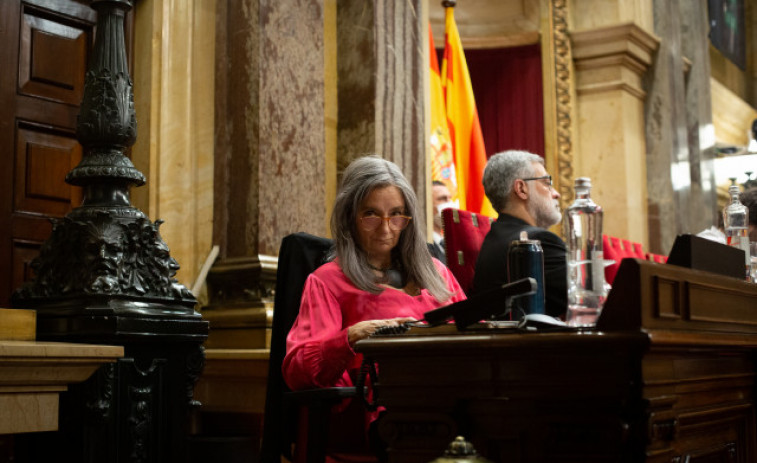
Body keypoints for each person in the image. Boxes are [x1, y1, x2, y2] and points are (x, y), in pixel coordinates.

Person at [282, 155, 466, 459]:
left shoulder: (437, 273)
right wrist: (351, 336)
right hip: (378, 421)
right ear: (349, 218)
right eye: (371, 214)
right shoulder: (328, 281)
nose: (386, 228)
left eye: (396, 215)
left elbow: (469, 331)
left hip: (446, 403)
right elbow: (298, 372)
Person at [471, 150, 567, 319]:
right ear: (521, 189)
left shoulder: (494, 238)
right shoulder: (538, 241)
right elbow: (589, 298)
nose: (556, 193)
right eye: (546, 183)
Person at [428, 180, 453, 263]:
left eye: (450, 199)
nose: (450, 204)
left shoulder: (452, 244)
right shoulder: (423, 245)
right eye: (443, 199)